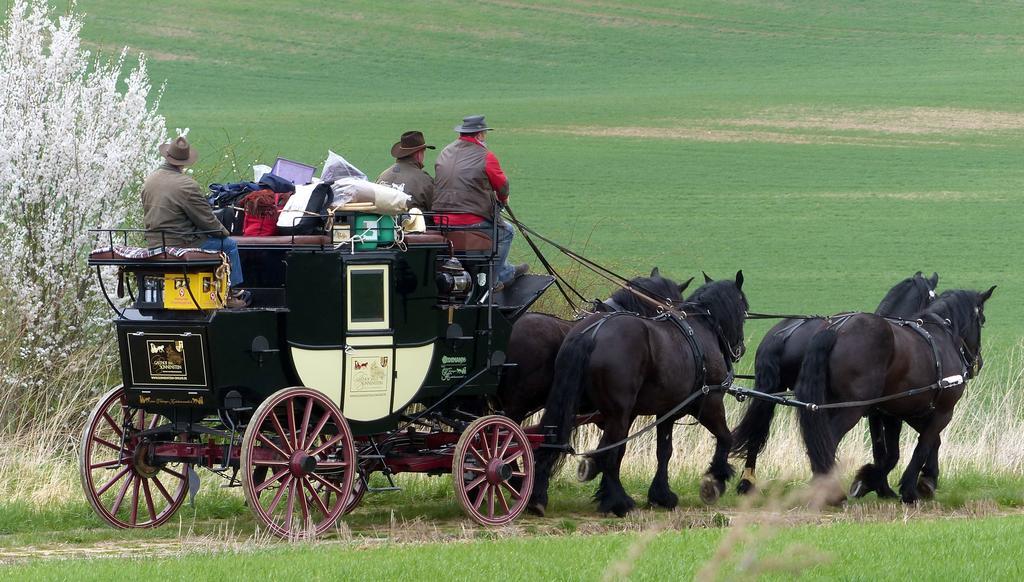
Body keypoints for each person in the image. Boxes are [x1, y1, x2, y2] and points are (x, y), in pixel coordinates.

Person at [141, 136, 250, 308]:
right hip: (180, 243)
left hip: (154, 242)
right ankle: (230, 295)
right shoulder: (186, 185)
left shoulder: (150, 180)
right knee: (228, 245)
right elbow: (207, 220)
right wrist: (224, 233)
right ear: (184, 162)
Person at [433, 115, 528, 292]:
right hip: (468, 220)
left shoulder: (444, 152)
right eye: (484, 133)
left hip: (440, 219)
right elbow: (502, 185)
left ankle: (506, 271)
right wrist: (503, 199)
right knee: (506, 231)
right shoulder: (486, 156)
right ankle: (494, 280)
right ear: (480, 135)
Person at [376, 130, 436, 211]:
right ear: (419, 154)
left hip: (384, 222)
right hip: (413, 223)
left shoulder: (383, 175)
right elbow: (435, 210)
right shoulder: (424, 180)